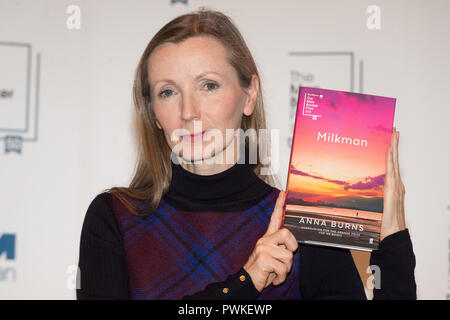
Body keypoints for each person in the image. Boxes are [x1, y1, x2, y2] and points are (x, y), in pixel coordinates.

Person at [76, 8, 416, 300]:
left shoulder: (303, 220)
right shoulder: (114, 217)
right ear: (152, 111)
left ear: (249, 94)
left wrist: (393, 242)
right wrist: (246, 283)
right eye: (167, 92)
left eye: (208, 85)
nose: (188, 111)